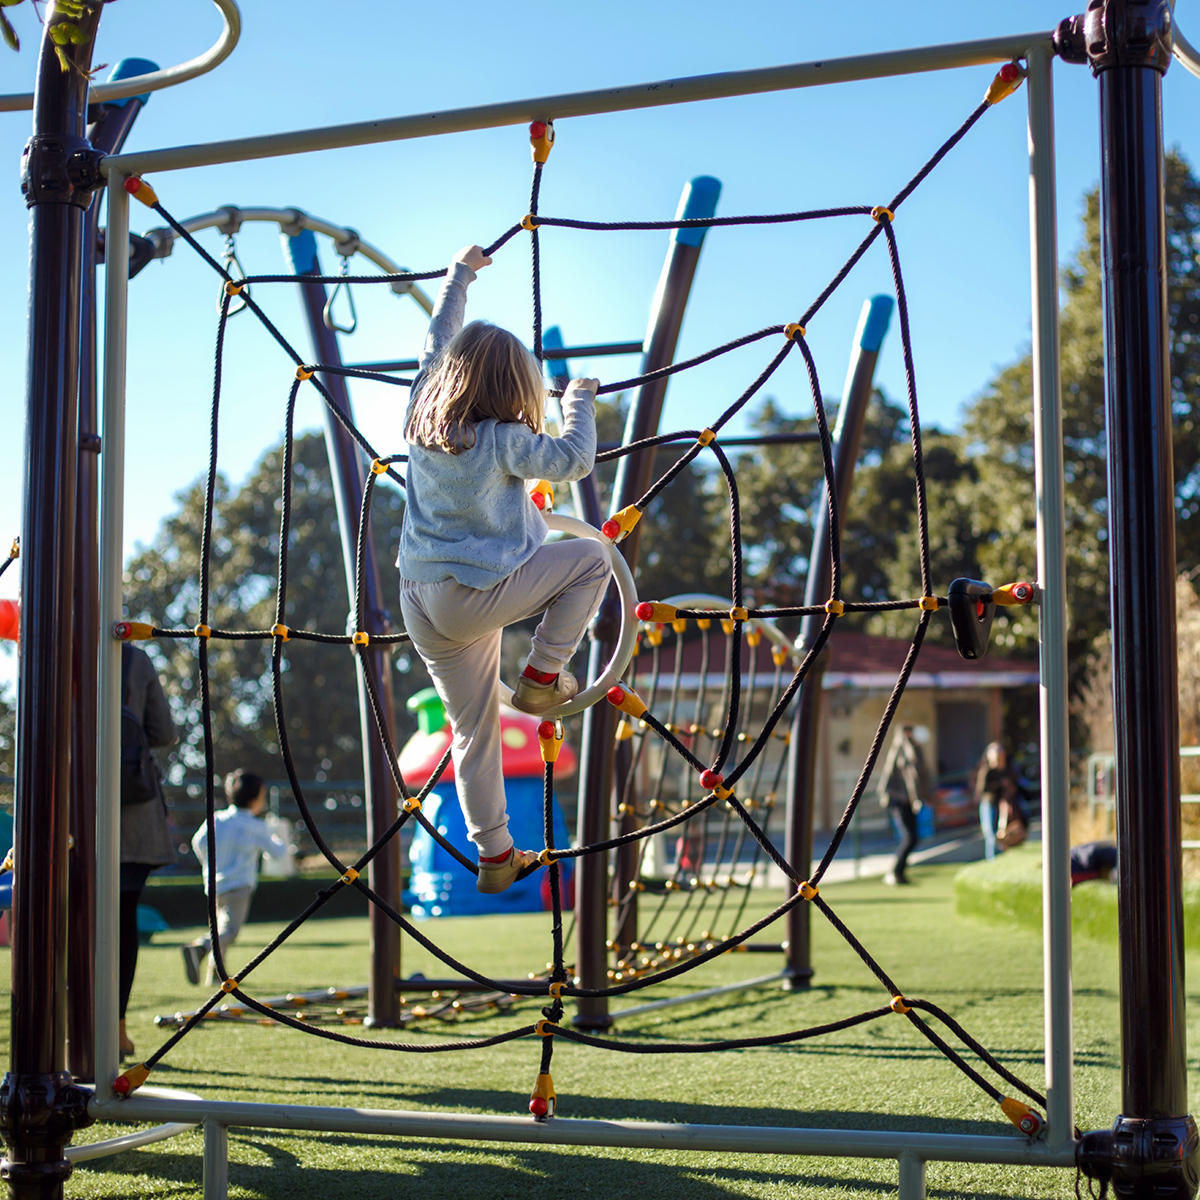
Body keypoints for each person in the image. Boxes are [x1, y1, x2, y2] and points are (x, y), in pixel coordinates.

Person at [397, 244, 607, 894]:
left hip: (420, 600)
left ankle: (494, 854)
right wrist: (579, 401)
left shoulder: (420, 417)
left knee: (471, 730)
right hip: (474, 594)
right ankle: (543, 676)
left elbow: (440, 336)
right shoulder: (504, 439)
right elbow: (574, 460)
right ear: (514, 391)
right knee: (592, 560)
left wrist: (460, 276)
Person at [119, 642, 178, 1060]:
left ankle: (67, 1025)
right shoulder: (132, 658)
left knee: (67, 925)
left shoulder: (47, 650)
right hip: (130, 819)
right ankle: (115, 1027)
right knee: (122, 924)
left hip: (65, 811)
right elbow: (165, 733)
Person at [183, 769, 288, 985]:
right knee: (229, 931)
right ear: (255, 798)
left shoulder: (217, 819)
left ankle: (215, 974)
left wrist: (209, 864)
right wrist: (282, 838)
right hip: (239, 885)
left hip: (214, 884)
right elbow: (276, 853)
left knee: (220, 928)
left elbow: (197, 842)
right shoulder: (256, 826)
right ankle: (200, 947)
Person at [877, 724, 929, 886]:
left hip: (909, 802)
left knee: (914, 838)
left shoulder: (915, 749)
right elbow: (892, 774)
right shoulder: (898, 751)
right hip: (898, 801)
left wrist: (919, 798)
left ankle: (899, 872)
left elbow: (918, 773)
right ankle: (894, 872)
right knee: (909, 837)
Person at [974, 741, 1018, 860]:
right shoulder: (986, 770)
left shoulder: (1006, 769)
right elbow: (981, 790)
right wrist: (999, 784)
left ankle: (1001, 857)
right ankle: (992, 859)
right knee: (991, 835)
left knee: (1002, 834)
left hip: (1002, 805)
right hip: (988, 804)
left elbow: (1013, 784)